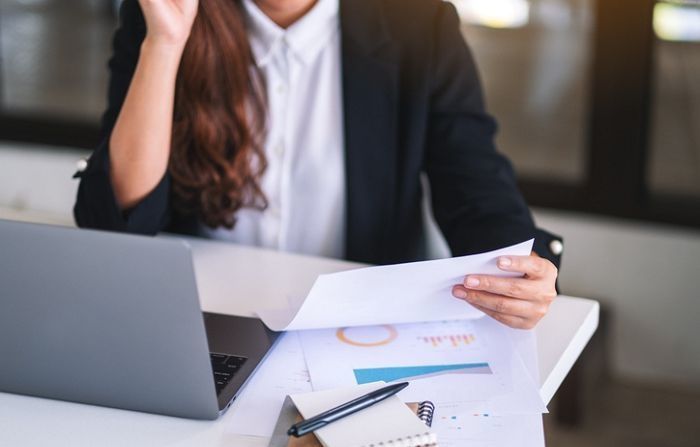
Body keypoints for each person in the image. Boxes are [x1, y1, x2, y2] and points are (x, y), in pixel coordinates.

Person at [74, 0, 562, 329]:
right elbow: (116, 226)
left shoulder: (418, 22)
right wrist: (165, 42)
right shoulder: (163, 17)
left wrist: (526, 269)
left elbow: (474, 182)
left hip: (360, 326)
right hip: (201, 323)